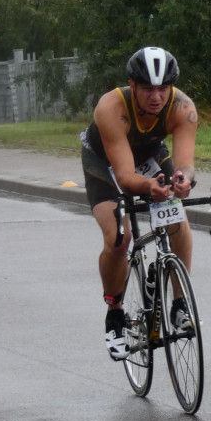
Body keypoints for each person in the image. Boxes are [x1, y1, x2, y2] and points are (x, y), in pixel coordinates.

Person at [80, 46, 199, 360]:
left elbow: (186, 164)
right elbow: (124, 174)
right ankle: (115, 312)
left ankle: (179, 304)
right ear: (132, 86)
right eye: (148, 89)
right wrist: (149, 187)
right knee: (119, 238)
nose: (157, 97)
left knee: (176, 217)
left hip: (147, 156)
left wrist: (184, 181)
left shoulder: (183, 107)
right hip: (104, 163)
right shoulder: (110, 107)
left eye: (163, 88)